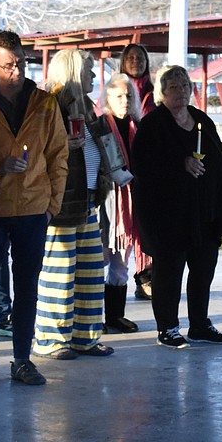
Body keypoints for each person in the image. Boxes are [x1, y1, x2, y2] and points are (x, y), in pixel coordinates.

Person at [0, 30, 68, 387]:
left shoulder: (44, 102)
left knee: (27, 287)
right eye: (8, 65)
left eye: (20, 62)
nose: (17, 70)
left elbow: (58, 156)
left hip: (34, 209)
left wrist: (52, 206)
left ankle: (22, 359)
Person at [130, 65, 222, 348]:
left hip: (205, 211)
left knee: (203, 270)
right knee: (170, 272)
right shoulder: (153, 124)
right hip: (169, 214)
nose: (180, 92)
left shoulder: (202, 120)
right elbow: (141, 164)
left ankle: (200, 324)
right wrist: (180, 163)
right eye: (174, 87)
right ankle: (168, 327)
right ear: (162, 93)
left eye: (185, 86)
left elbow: (220, 163)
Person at [33, 49, 114, 360]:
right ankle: (51, 339)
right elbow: (35, 150)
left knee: (92, 272)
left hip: (88, 202)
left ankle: (85, 335)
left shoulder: (89, 107)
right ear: (74, 72)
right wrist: (61, 145)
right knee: (59, 273)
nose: (94, 77)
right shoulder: (48, 104)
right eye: (89, 71)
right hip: (60, 205)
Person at [96, 73, 146, 333]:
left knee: (121, 262)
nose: (124, 101)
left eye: (128, 96)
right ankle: (93, 317)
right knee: (99, 259)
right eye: (118, 96)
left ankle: (115, 316)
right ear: (107, 99)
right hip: (107, 203)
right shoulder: (100, 126)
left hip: (131, 201)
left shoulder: (137, 126)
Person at [118, 43, 155, 297]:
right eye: (130, 57)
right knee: (126, 225)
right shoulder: (117, 91)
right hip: (123, 166)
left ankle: (146, 277)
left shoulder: (153, 93)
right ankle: (117, 280)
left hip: (149, 168)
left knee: (148, 224)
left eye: (139, 57)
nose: (135, 61)